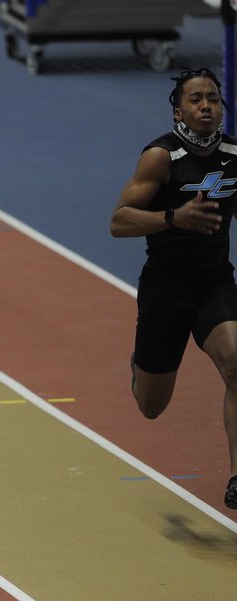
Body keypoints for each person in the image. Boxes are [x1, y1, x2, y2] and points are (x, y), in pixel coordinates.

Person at [111, 67, 237, 510]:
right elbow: (119, 220)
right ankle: (139, 364)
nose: (206, 106)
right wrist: (172, 219)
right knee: (151, 406)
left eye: (214, 99)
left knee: (236, 362)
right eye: (196, 99)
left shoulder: (234, 156)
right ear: (178, 109)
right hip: (165, 290)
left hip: (214, 283)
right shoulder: (161, 157)